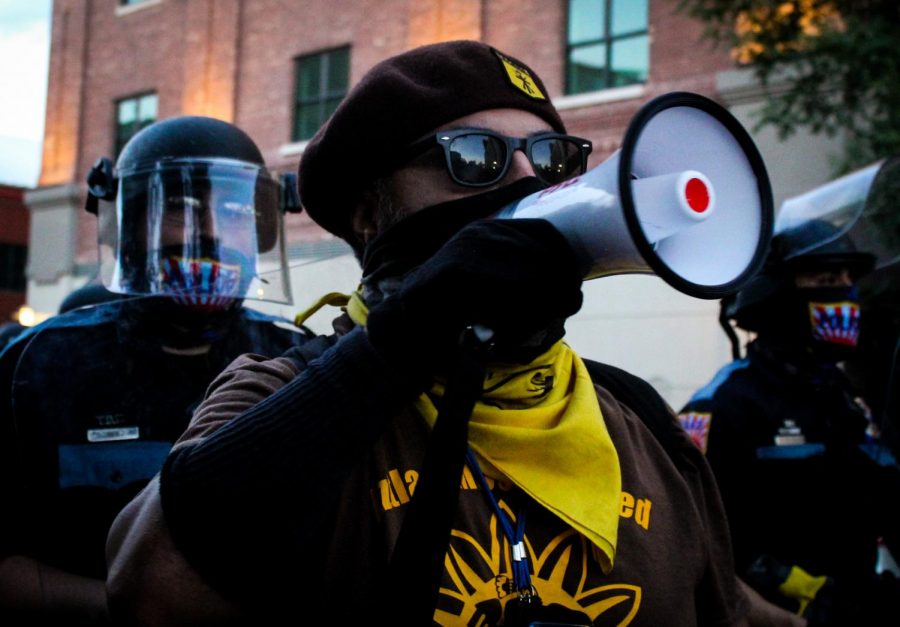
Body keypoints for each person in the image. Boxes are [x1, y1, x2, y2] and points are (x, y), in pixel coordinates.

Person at [106, 40, 770, 626]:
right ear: (371, 211)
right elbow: (149, 587)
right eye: (474, 157)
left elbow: (723, 605)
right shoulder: (273, 388)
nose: (527, 180)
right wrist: (403, 340)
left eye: (553, 158)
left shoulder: (641, 420)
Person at [0, 115, 313, 626]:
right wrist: (143, 608)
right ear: (128, 229)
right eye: (180, 207)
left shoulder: (292, 360)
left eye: (235, 211)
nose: (209, 233)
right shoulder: (40, 365)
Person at [678, 216, 900, 625]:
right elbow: (703, 536)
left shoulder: (845, 396)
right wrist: (799, 590)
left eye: (849, 277)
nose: (846, 292)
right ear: (778, 295)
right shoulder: (723, 404)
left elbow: (884, 493)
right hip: (778, 616)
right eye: (827, 279)